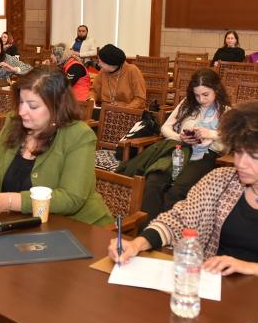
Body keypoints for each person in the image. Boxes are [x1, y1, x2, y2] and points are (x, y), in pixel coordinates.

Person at [0, 67, 112, 225]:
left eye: (33, 106)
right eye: (21, 102)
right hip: (24, 224)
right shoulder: (14, 122)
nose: (22, 111)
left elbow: (70, 198)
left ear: (57, 106)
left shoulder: (79, 135)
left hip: (78, 227)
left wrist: (9, 201)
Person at [110, 101, 258, 277]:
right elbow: (179, 219)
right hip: (215, 285)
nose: (241, 163)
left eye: (254, 157)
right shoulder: (221, 181)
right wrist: (138, 243)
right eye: (239, 153)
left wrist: (248, 267)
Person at [119, 68, 230, 225]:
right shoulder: (187, 104)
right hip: (180, 149)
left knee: (176, 191)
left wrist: (209, 134)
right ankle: (145, 230)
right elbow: (165, 128)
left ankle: (166, 230)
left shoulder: (225, 111)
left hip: (205, 156)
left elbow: (232, 138)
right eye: (197, 95)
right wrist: (180, 137)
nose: (201, 99)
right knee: (153, 182)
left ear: (216, 90)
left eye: (206, 95)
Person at [89, 44, 146, 109]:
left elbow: (140, 99)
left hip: (128, 112)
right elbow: (94, 91)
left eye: (101, 62)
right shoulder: (103, 71)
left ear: (111, 63)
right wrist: (92, 100)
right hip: (106, 111)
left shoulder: (132, 71)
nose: (99, 65)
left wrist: (122, 110)